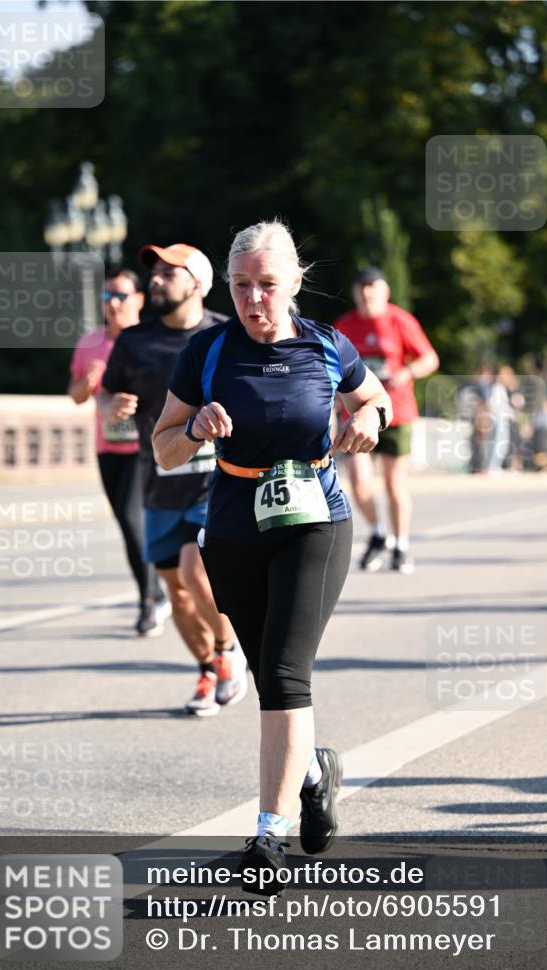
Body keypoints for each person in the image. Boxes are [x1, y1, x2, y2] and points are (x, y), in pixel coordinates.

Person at [153, 220, 391, 888]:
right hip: (233, 524)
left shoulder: (326, 345)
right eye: (239, 286)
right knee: (268, 677)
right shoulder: (206, 352)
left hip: (315, 521)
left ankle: (267, 838)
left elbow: (375, 397)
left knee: (286, 676)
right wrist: (194, 427)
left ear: (293, 281)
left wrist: (368, 420)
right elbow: (162, 445)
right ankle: (314, 773)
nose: (253, 299)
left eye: (265, 284)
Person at [99, 243, 247, 714]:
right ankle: (208, 667)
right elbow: (104, 397)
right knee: (175, 592)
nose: (156, 280)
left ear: (198, 285)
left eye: (169, 273)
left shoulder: (228, 334)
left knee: (194, 572)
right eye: (155, 272)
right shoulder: (133, 341)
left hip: (215, 482)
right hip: (158, 480)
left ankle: (229, 651)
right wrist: (111, 408)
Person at [68, 268, 170, 636]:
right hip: (109, 447)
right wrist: (90, 383)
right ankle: (155, 591)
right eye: (107, 297)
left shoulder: (153, 341)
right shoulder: (89, 344)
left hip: (150, 447)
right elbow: (76, 396)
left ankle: (152, 597)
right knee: (128, 525)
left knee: (139, 520)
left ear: (140, 300)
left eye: (121, 296)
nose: (112, 303)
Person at [334, 267, 439, 573]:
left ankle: (401, 546)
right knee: (359, 483)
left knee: (395, 484)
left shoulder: (399, 320)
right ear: (355, 292)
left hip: (396, 412)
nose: (367, 293)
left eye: (373, 286)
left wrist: (407, 372)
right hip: (355, 415)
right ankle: (379, 533)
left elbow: (429, 358)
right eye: (362, 287)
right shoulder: (344, 326)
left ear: (385, 290)